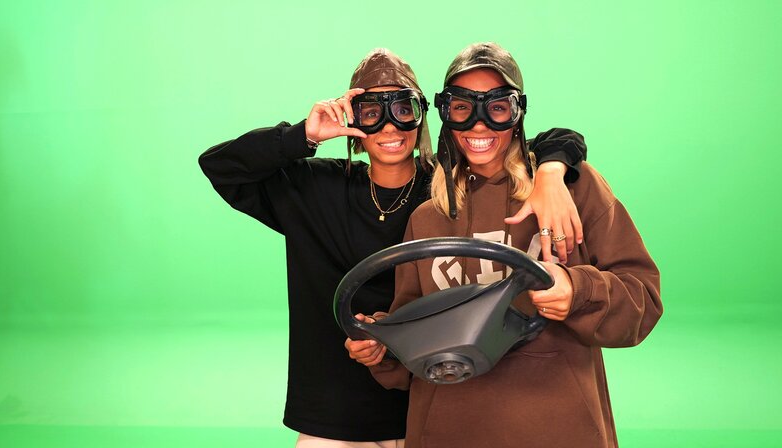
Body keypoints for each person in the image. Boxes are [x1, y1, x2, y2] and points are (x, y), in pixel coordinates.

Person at [199, 48, 587, 447]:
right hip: (334, 414)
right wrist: (304, 136)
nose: (389, 126)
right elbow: (221, 166)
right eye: (371, 112)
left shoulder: (449, 189)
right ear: (352, 119)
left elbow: (546, 141)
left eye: (403, 110)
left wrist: (551, 172)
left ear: (421, 117)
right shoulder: (312, 190)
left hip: (431, 407)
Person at [346, 42, 662, 448]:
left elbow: (642, 302)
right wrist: (382, 346)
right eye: (462, 107)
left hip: (558, 429)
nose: (478, 125)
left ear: (517, 114)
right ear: (445, 114)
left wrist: (577, 290)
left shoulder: (570, 190)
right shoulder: (427, 218)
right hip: (447, 431)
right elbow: (411, 345)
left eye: (497, 108)